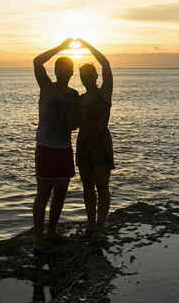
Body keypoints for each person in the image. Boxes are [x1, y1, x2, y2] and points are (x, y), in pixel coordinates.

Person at [32, 38, 79, 252]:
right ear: (56, 70)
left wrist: (72, 120)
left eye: (68, 69)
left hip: (64, 148)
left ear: (71, 73)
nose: (65, 72)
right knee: (43, 193)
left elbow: (75, 124)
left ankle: (51, 232)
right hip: (46, 147)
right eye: (61, 68)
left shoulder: (73, 95)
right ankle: (38, 236)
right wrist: (61, 47)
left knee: (60, 193)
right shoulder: (47, 87)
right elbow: (37, 62)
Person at [71, 39, 114, 237]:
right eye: (82, 75)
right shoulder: (80, 99)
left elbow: (105, 64)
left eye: (89, 73)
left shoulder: (104, 94)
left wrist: (88, 46)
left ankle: (102, 222)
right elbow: (73, 123)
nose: (86, 77)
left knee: (102, 184)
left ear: (95, 76)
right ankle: (91, 223)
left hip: (100, 143)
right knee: (87, 185)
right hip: (84, 143)